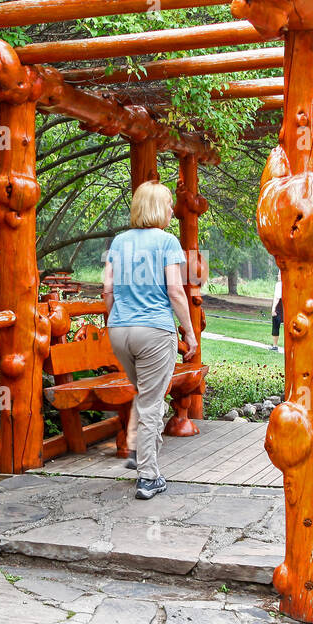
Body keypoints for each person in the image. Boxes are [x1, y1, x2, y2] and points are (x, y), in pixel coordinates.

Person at [103, 181, 197, 499]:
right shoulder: (167, 242)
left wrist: (114, 321)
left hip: (120, 332)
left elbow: (107, 290)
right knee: (152, 404)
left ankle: (141, 454)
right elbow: (174, 291)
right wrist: (189, 332)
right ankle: (148, 476)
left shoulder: (118, 242)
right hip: (154, 332)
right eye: (169, 204)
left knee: (146, 398)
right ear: (159, 208)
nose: (172, 210)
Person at [270, 270, 283, 350]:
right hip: (287, 306)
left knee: (275, 326)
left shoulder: (279, 284)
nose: (278, 276)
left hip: (279, 307)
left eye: (279, 274)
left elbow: (277, 297)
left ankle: (275, 345)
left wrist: (273, 308)